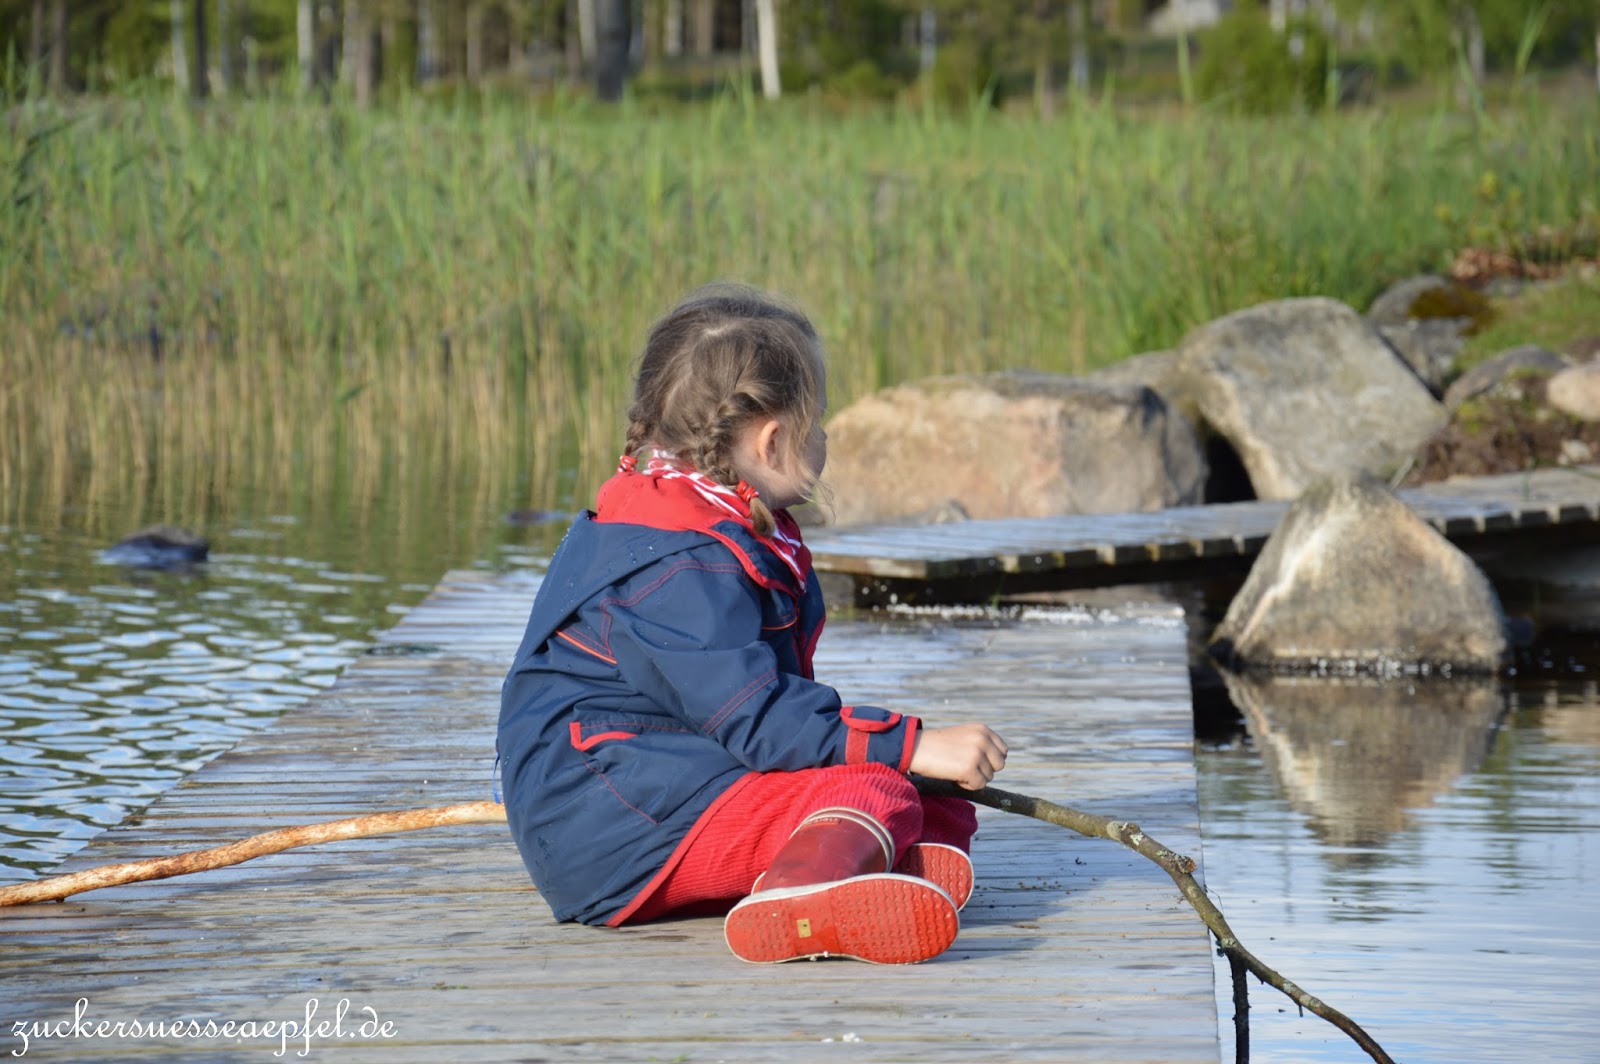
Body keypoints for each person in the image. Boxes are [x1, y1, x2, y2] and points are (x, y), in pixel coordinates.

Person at [497, 283, 1010, 964]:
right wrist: (909, 743)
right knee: (879, 780)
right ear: (771, 442)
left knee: (926, 787)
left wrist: (917, 763)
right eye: (816, 422)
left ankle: (889, 864)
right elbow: (764, 722)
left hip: (658, 791)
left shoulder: (688, 520)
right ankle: (798, 896)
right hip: (612, 825)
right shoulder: (681, 568)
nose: (823, 439)